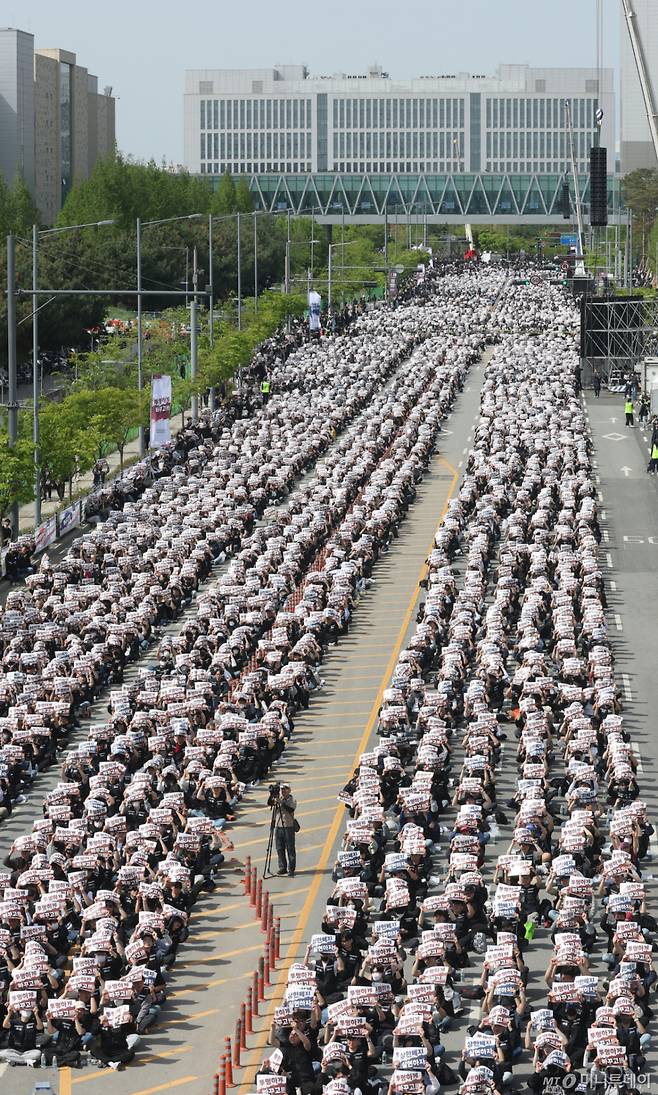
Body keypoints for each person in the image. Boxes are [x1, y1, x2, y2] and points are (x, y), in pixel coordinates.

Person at [268, 782, 297, 877]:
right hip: (278, 826)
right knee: (279, 848)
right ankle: (282, 867)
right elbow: (270, 804)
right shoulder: (278, 799)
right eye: (282, 789)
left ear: (289, 790)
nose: (283, 791)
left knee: (290, 848)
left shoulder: (292, 800)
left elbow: (291, 809)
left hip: (288, 827)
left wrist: (282, 803)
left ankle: (291, 869)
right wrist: (272, 795)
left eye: (285, 789)